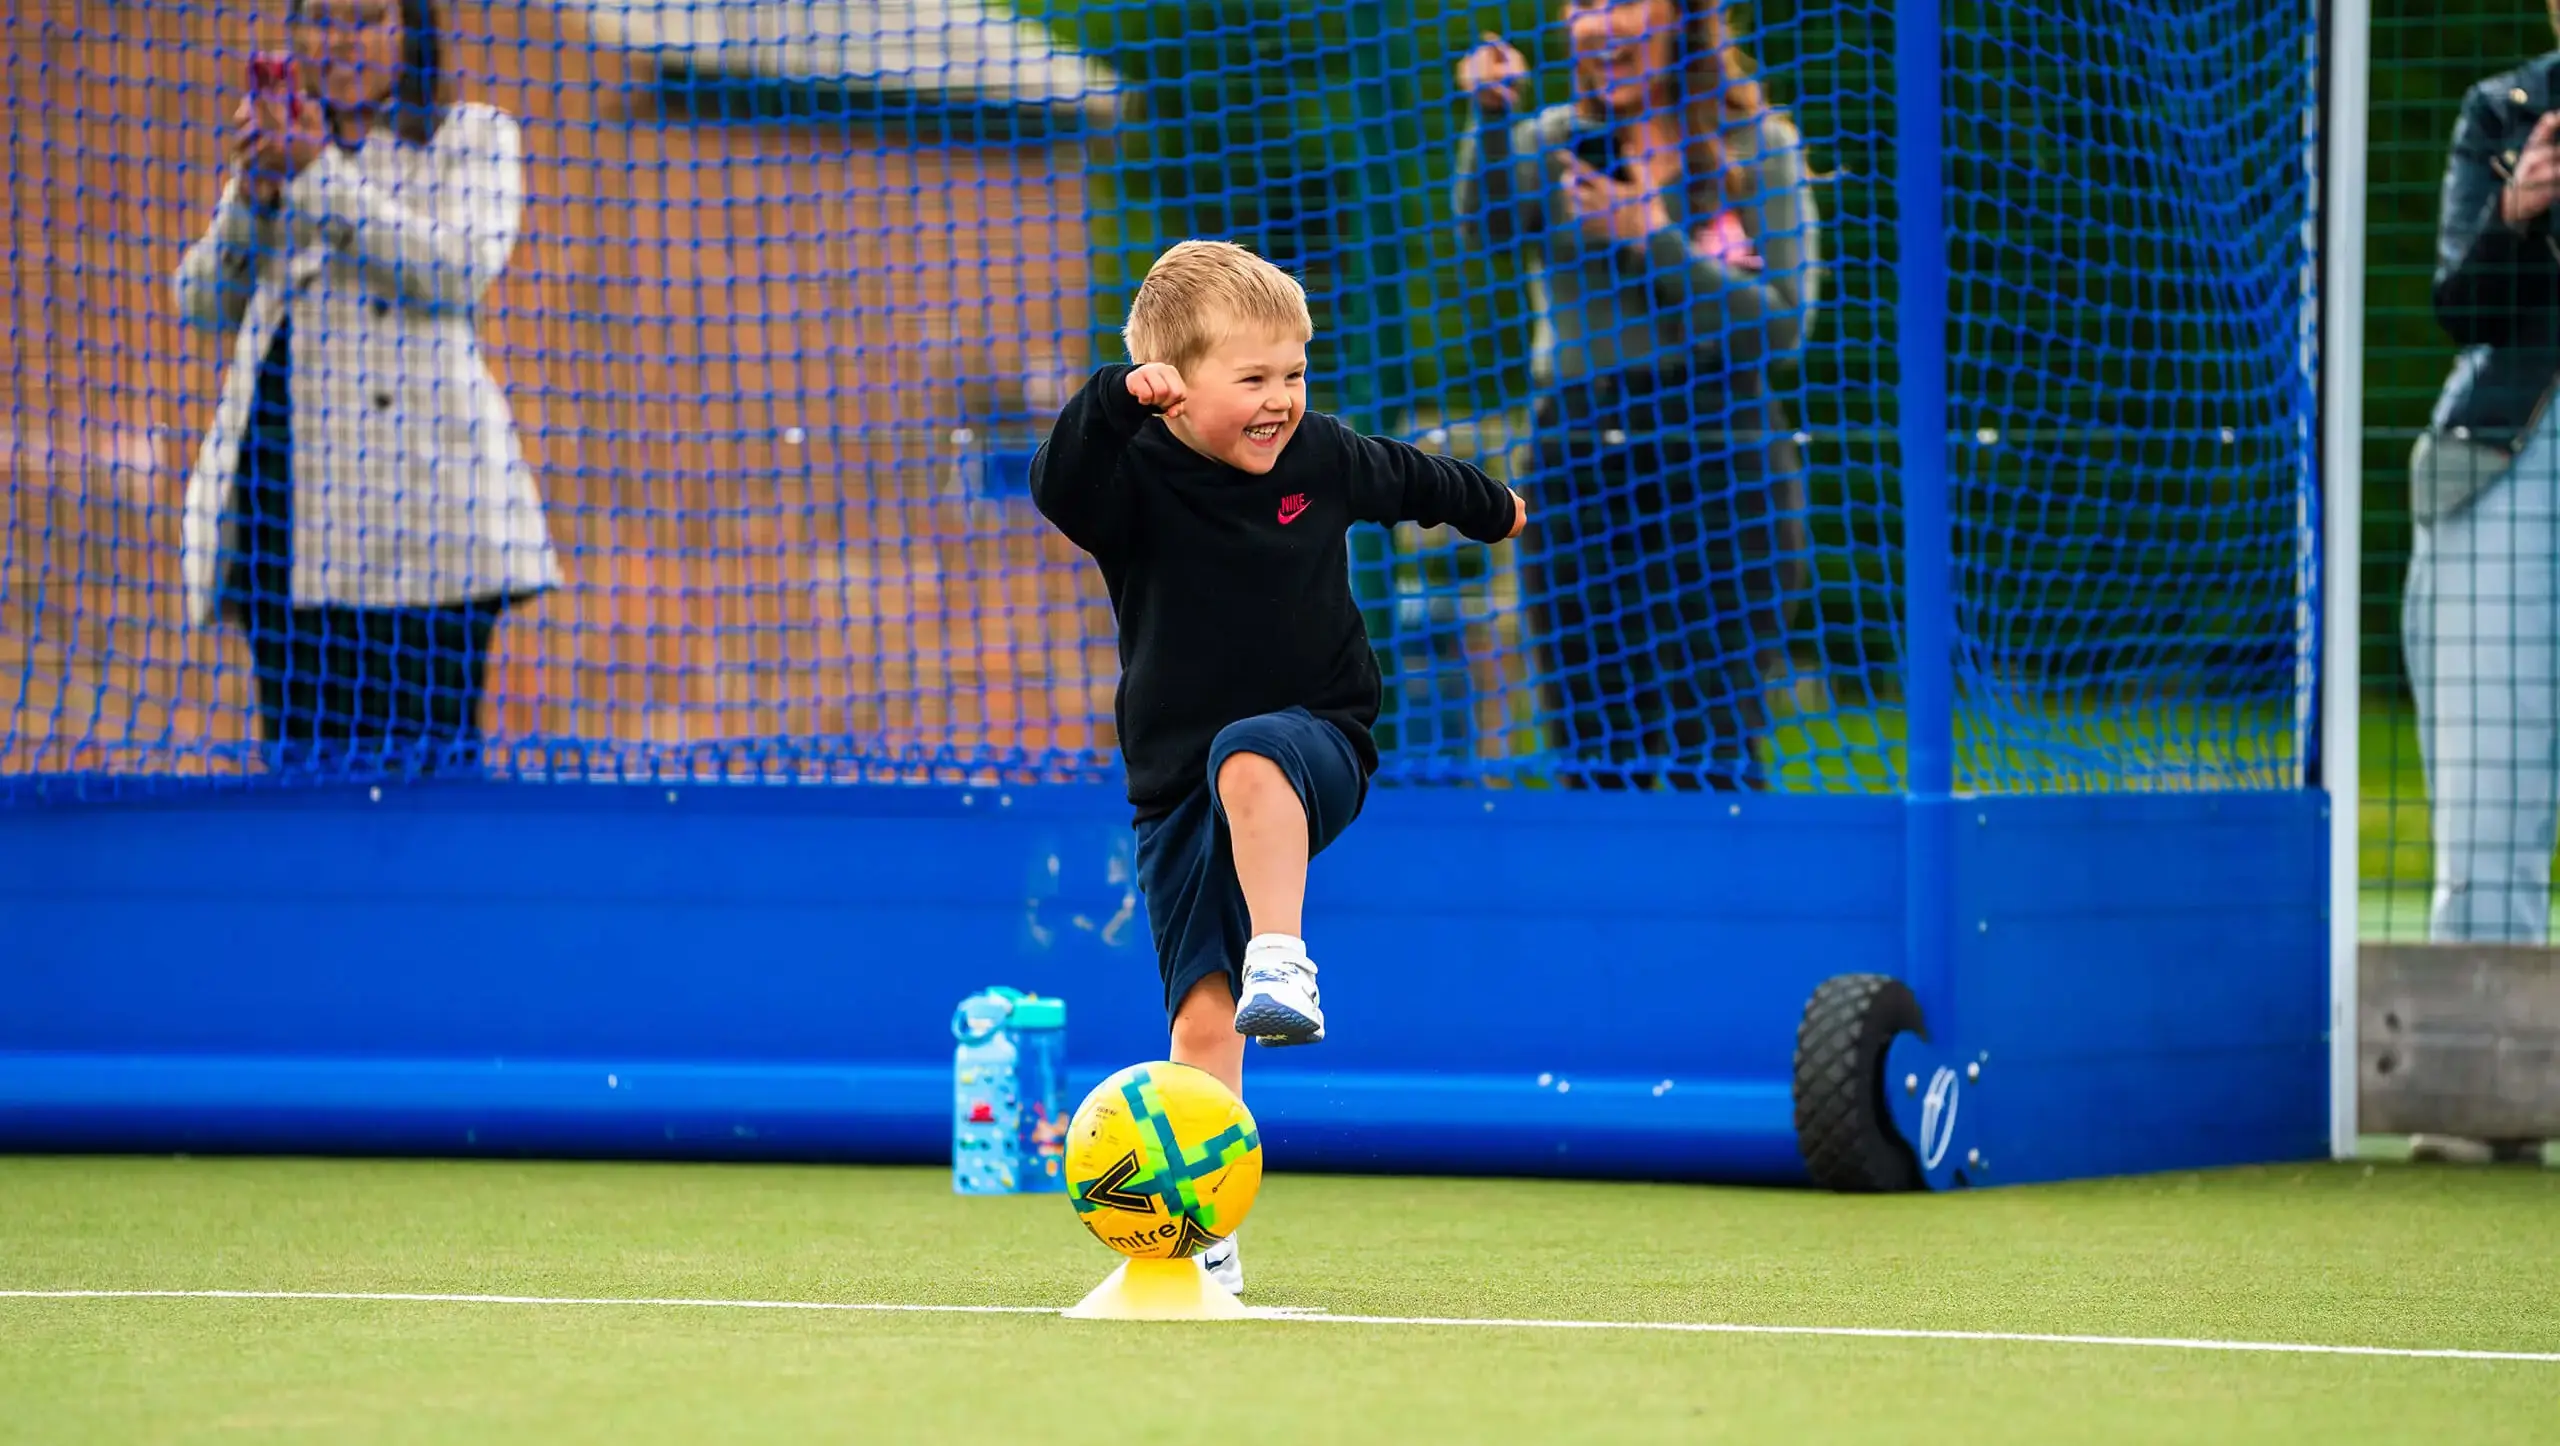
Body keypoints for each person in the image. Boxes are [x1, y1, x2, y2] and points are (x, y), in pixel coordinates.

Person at [1030, 240, 1527, 1291]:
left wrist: (1493, 508)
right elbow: (1058, 481)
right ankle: (1204, 1236)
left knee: (1250, 750)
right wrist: (1113, 397)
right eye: (1250, 379)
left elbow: (1417, 479)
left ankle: (1284, 957)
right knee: (1201, 1017)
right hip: (1174, 792)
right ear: (1171, 392)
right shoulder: (1132, 480)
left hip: (1317, 741)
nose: (1280, 400)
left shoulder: (1323, 458)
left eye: (1293, 374)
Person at [172, 0, 560, 774]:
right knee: (303, 774)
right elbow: (201, 301)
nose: (340, 40)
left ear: (408, 30)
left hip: (424, 511)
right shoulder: (277, 151)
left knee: (427, 778)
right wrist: (252, 197)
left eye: (365, 17)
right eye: (320, 17)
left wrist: (318, 175)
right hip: (285, 504)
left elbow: (453, 269)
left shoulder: (472, 136)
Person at [1452, 0, 1820, 791]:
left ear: (1682, 17)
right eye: (1581, 7)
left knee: (1710, 739)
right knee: (1592, 738)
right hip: (1579, 455)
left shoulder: (1760, 147)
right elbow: (1486, 227)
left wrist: (1647, 239)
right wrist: (1489, 119)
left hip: (1718, 456)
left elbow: (1782, 328)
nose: (1596, 24)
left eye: (1618, 2)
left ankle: (1724, 905)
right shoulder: (1552, 144)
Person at [2398, 27, 2560, 1167]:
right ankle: (2478, 1088)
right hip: (2511, 451)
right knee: (2486, 777)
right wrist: (2518, 216)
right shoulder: (2502, 111)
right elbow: (2458, 300)